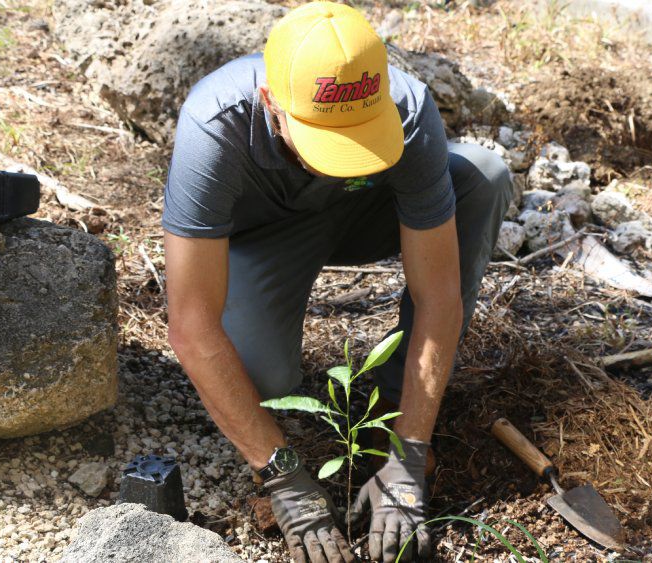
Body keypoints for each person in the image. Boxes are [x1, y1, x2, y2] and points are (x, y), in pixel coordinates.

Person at [162, 2, 510, 562]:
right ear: (271, 103)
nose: (345, 160)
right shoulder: (215, 123)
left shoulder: (407, 107)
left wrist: (408, 453)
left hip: (364, 215)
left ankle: (387, 414)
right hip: (265, 236)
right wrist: (283, 477)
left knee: (481, 177)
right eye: (327, 140)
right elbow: (191, 325)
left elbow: (438, 297)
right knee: (264, 380)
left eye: (360, 137)